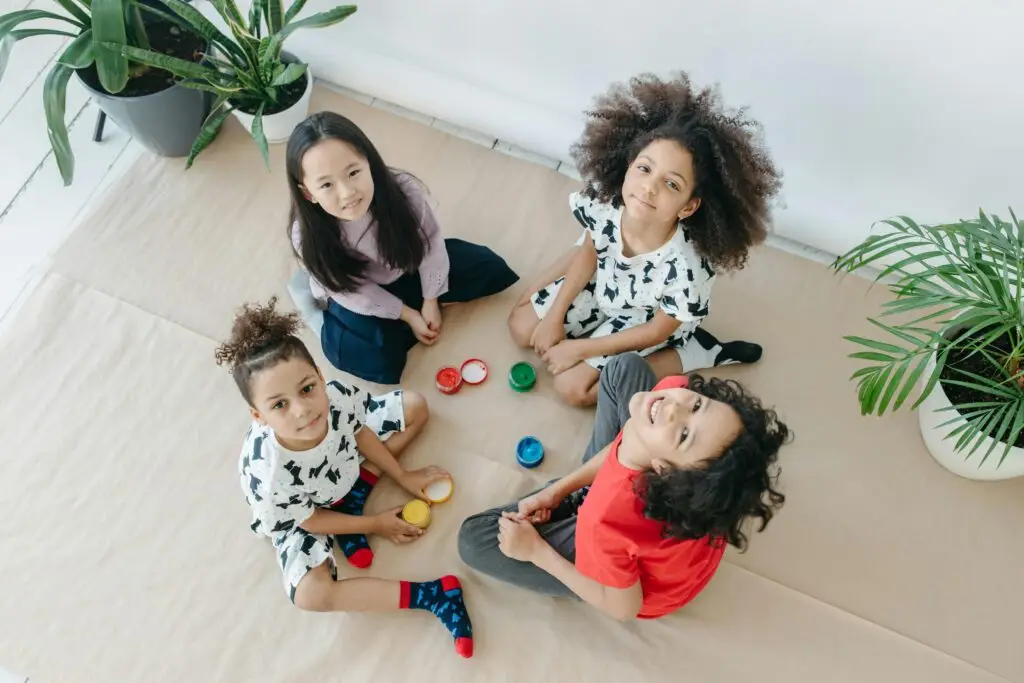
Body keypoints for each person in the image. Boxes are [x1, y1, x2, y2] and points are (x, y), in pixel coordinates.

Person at [216, 298, 474, 658]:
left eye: (307, 388)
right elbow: (310, 519)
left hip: (340, 465)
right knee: (311, 594)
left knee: (415, 406)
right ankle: (433, 595)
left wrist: (402, 475)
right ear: (258, 416)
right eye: (279, 405)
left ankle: (355, 494)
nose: (303, 410)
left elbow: (360, 432)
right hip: (302, 512)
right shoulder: (268, 474)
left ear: (321, 378)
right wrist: (374, 524)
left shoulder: (334, 398)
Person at [508, 73, 783, 406]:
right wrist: (554, 315)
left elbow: (656, 330)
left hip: (646, 317)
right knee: (522, 328)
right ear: (628, 165)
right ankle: (562, 317)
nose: (649, 187)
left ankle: (697, 352)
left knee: (573, 389)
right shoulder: (605, 204)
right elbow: (589, 251)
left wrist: (578, 347)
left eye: (672, 184)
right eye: (644, 168)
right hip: (605, 282)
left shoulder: (687, 270)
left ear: (689, 206)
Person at [457, 353, 788, 621]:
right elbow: (625, 444)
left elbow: (623, 608)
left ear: (661, 471)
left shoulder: (606, 522)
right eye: (698, 405)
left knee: (473, 540)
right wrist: (556, 492)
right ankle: (574, 499)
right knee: (624, 368)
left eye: (684, 435)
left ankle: (572, 513)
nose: (673, 408)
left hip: (636, 578)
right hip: (641, 524)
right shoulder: (673, 397)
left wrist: (538, 553)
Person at [286, 111, 520, 384]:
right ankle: (314, 300)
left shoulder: (404, 191)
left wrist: (431, 299)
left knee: (489, 268)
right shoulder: (306, 235)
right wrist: (409, 315)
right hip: (352, 288)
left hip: (403, 266)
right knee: (372, 357)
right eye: (326, 184)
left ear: (369, 163)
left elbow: (430, 243)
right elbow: (354, 292)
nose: (347, 192)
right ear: (308, 194)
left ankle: (406, 310)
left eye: (353, 172)